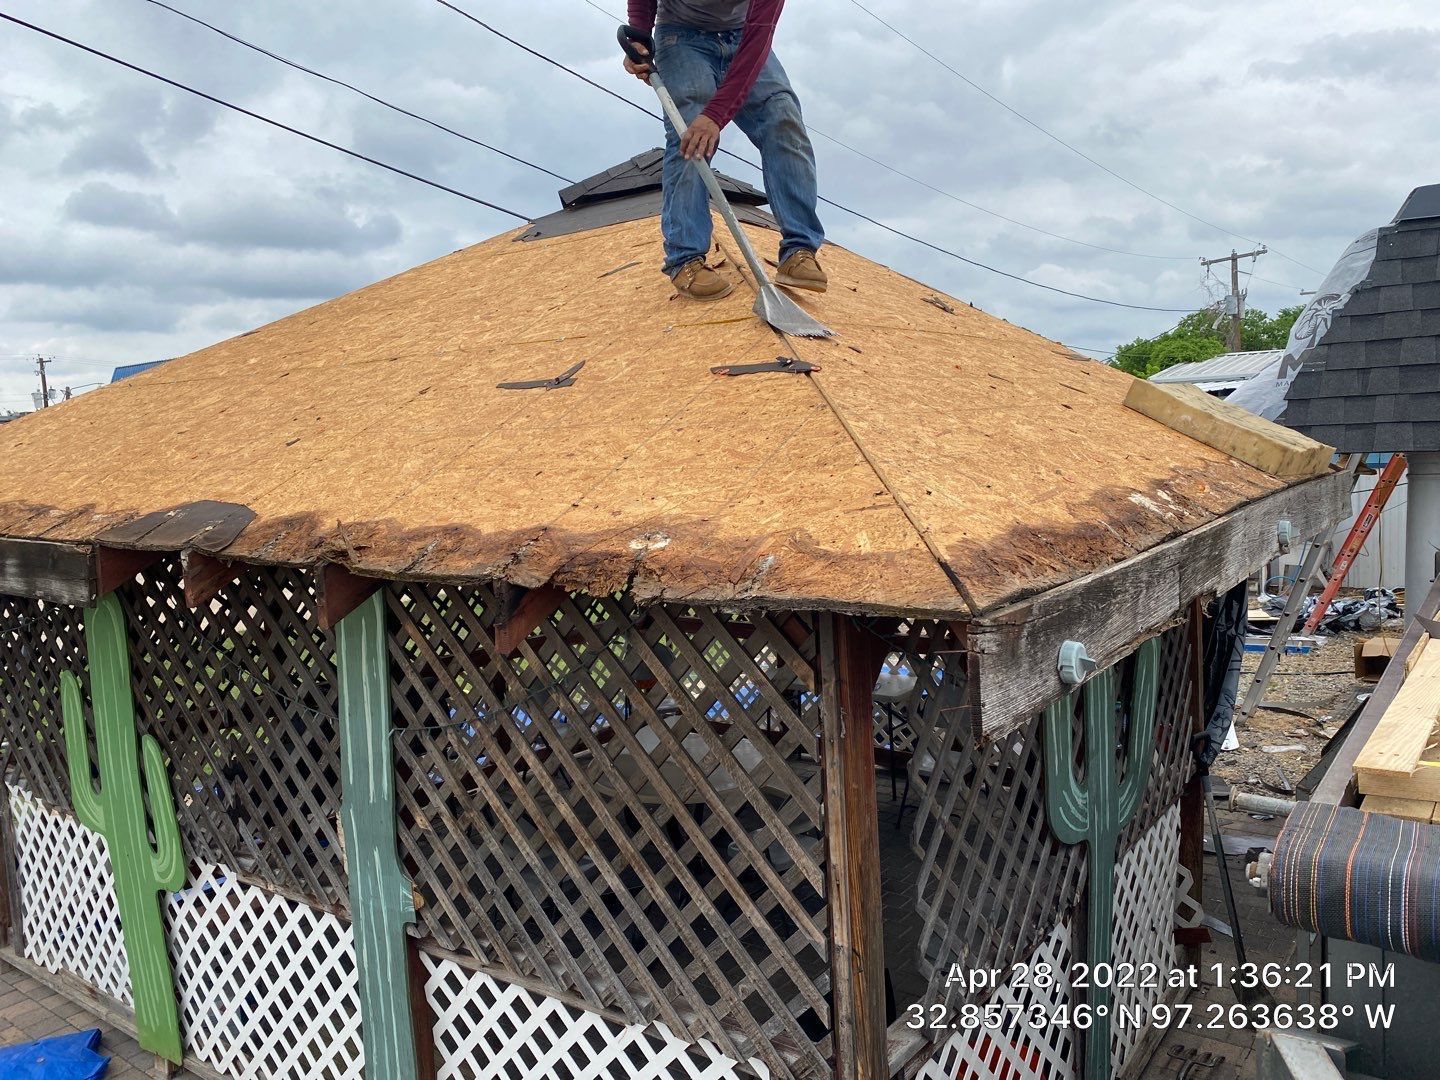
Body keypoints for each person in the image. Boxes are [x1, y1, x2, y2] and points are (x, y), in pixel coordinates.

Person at [622, 1, 827, 300]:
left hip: (745, 35)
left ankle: (799, 250)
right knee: (690, 129)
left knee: (782, 117)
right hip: (681, 36)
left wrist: (717, 116)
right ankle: (685, 259)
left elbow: (757, 38)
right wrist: (639, 35)